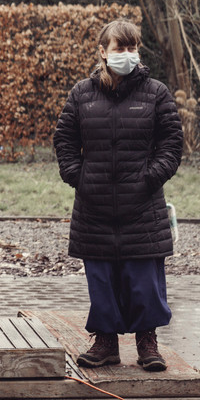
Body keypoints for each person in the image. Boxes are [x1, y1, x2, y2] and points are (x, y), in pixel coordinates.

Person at [52, 19, 184, 372]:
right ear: (103, 52)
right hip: (94, 206)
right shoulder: (82, 94)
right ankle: (105, 342)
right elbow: (64, 140)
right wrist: (78, 177)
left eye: (131, 48)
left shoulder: (156, 93)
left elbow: (171, 145)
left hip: (142, 206)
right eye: (118, 48)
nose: (125, 54)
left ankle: (147, 342)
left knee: (144, 279)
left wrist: (149, 178)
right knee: (102, 278)